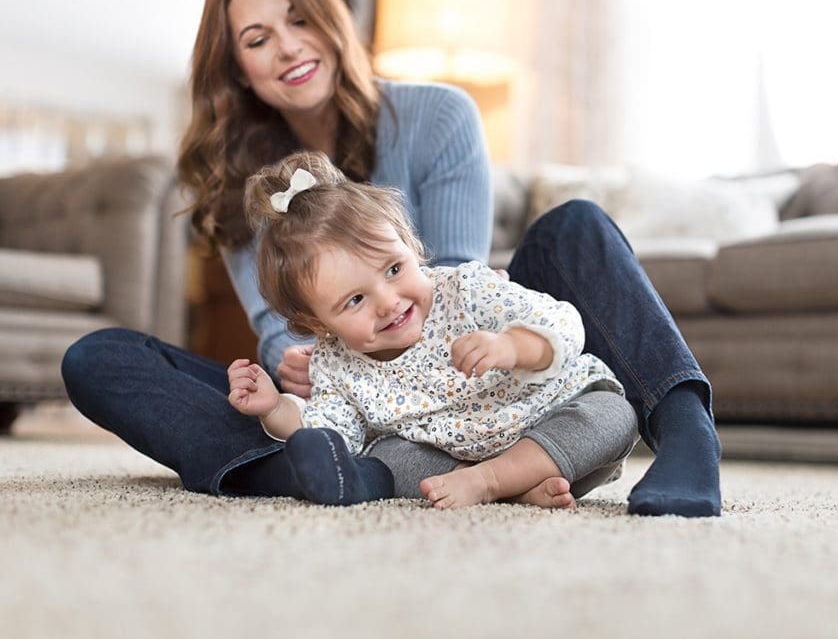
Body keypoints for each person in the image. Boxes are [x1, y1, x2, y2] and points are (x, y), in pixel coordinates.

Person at [61, 0, 721, 517]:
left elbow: (460, 276)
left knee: (575, 226)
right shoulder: (238, 180)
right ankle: (321, 469)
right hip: (347, 392)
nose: (288, 46)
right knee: (97, 360)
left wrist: (447, 341)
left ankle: (686, 431)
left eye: (299, 18)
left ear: (333, 19)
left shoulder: (437, 117)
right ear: (236, 68)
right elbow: (280, 327)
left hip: (467, 363)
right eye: (257, 39)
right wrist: (293, 370)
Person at [227, 151, 637, 509]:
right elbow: (336, 435)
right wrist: (276, 409)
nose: (388, 302)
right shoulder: (335, 365)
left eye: (393, 269)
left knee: (613, 413)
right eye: (355, 301)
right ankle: (509, 488)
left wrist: (513, 346)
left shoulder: (465, 290)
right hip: (454, 462)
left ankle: (496, 483)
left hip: (550, 439)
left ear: (412, 247)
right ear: (318, 324)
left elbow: (561, 324)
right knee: (386, 458)